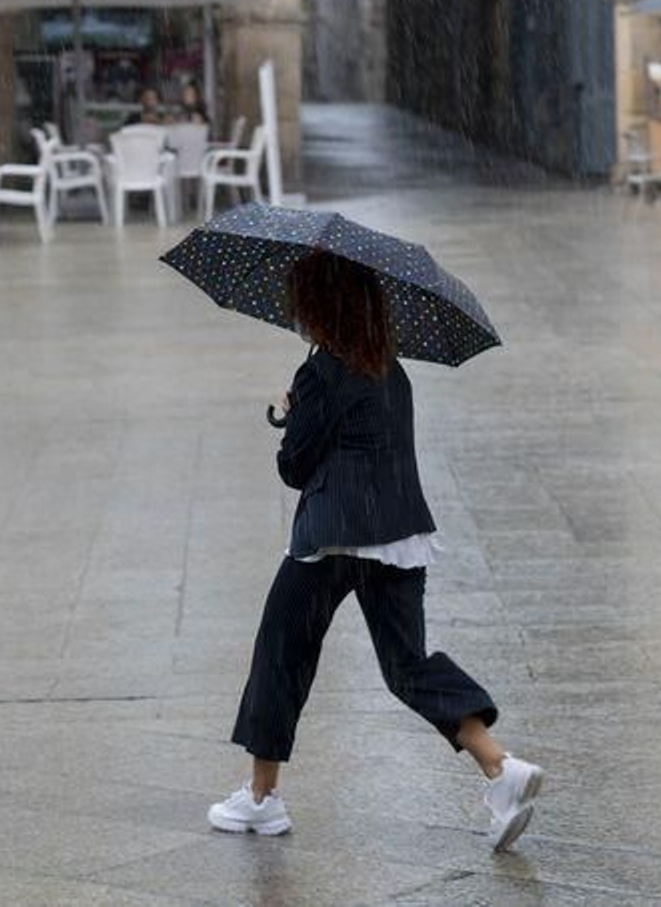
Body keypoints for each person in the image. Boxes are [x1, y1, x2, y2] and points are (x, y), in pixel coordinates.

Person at [208, 250, 546, 853]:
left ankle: (261, 800)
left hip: (331, 538)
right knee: (406, 665)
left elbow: (294, 468)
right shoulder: (391, 369)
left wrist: (289, 414)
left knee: (281, 653)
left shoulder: (322, 372)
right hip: (398, 535)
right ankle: (499, 767)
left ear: (318, 307)